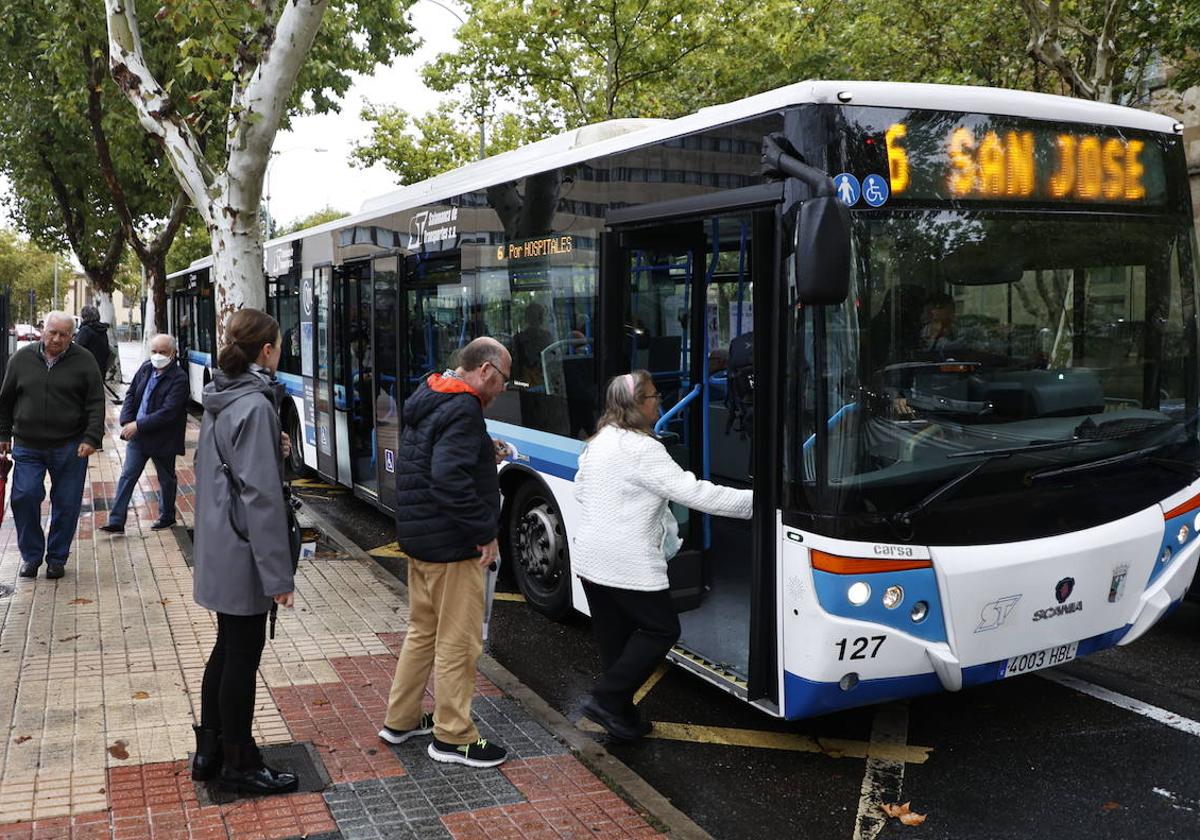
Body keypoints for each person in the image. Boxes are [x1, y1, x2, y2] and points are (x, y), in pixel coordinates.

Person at [571, 370, 753, 741]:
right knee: (661, 629)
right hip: (627, 563)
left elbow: (580, 490)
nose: (660, 403)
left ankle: (622, 718)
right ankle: (606, 698)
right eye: (654, 397)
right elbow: (697, 494)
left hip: (590, 559)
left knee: (615, 639)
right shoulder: (644, 450)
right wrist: (759, 502)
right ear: (637, 406)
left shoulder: (599, 440)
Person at [378, 336, 512, 769]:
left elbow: (435, 457)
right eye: (504, 379)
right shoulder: (464, 408)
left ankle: (400, 720)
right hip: (453, 546)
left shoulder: (432, 393)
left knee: (423, 632)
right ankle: (453, 736)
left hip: (422, 539)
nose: (504, 389)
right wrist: (484, 532)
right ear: (486, 370)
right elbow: (448, 479)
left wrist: (480, 452)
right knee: (459, 642)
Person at [191, 308, 298, 795]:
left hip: (218, 542)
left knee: (225, 649)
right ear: (268, 350)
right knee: (242, 656)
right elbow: (261, 497)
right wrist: (279, 577)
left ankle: (209, 750)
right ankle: (240, 761)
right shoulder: (255, 405)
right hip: (245, 551)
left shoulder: (221, 394)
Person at [0, 311, 104, 580]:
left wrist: (91, 437)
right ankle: (31, 556)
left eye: (63, 334)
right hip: (27, 443)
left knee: (66, 503)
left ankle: (57, 558)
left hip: (70, 445)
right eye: (52, 332)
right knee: (24, 496)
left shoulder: (84, 361)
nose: (56, 339)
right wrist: (3, 434)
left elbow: (95, 402)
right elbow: (5, 400)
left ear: (72, 335)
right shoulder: (21, 359)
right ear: (42, 330)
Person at [99, 334, 190, 534]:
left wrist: (138, 425)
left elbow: (168, 412)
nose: (157, 356)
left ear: (173, 354)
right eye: (154, 351)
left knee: (166, 478)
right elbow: (131, 394)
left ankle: (167, 516)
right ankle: (116, 520)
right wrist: (126, 420)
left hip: (163, 438)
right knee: (128, 475)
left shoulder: (179, 378)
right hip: (138, 437)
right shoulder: (146, 368)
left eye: (163, 352)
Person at [513, 302, 554, 387]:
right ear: (542, 319)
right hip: (533, 383)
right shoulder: (547, 336)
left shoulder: (518, 338)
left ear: (526, 319)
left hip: (525, 384)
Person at [75, 305, 112, 381]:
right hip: (100, 370)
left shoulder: (85, 330)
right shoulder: (102, 331)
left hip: (85, 372)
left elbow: (76, 350)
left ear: (84, 317)